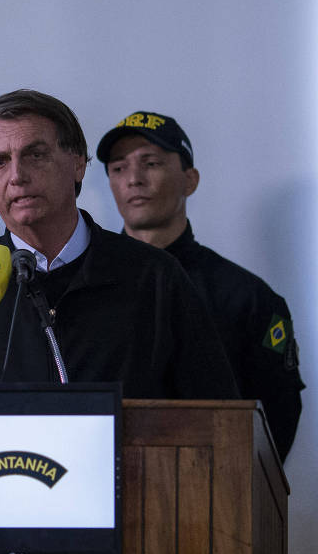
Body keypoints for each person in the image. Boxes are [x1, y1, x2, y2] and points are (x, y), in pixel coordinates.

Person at [0, 90, 239, 400]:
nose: (16, 176)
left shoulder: (155, 278)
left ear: (77, 164)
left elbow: (216, 418)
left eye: (35, 155)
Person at [96, 111, 304, 460]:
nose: (133, 179)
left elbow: (276, 420)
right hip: (98, 481)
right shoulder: (84, 287)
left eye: (151, 163)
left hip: (208, 485)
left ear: (189, 180)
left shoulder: (247, 297)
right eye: (118, 168)